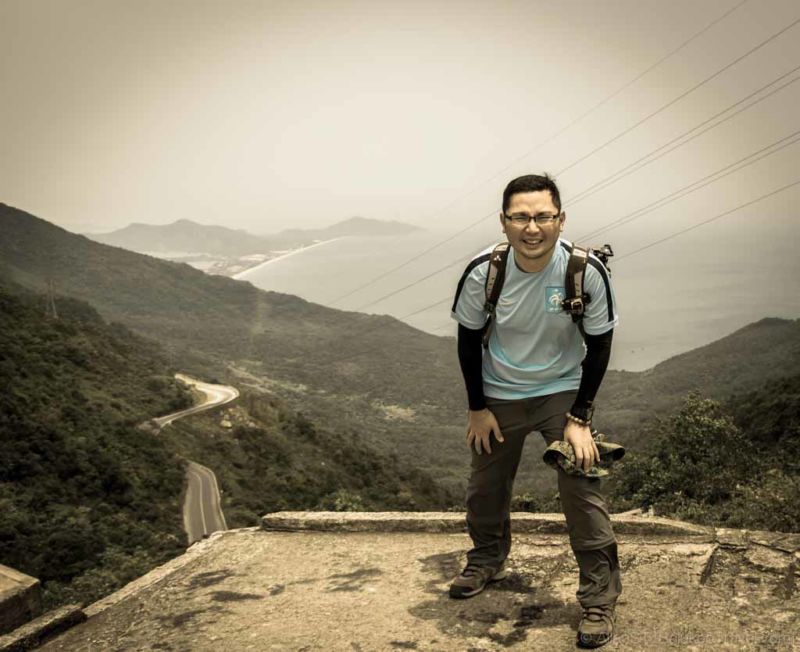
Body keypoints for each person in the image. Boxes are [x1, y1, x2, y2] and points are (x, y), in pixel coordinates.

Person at [448, 173, 622, 649]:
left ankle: (598, 598)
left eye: (543, 216)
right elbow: (467, 340)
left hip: (561, 392)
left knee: (580, 484)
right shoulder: (485, 271)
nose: (532, 227)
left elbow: (601, 345)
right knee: (485, 484)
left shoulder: (584, 271)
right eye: (520, 217)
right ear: (503, 222)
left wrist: (581, 418)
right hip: (499, 393)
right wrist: (477, 408)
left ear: (560, 220)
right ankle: (486, 560)